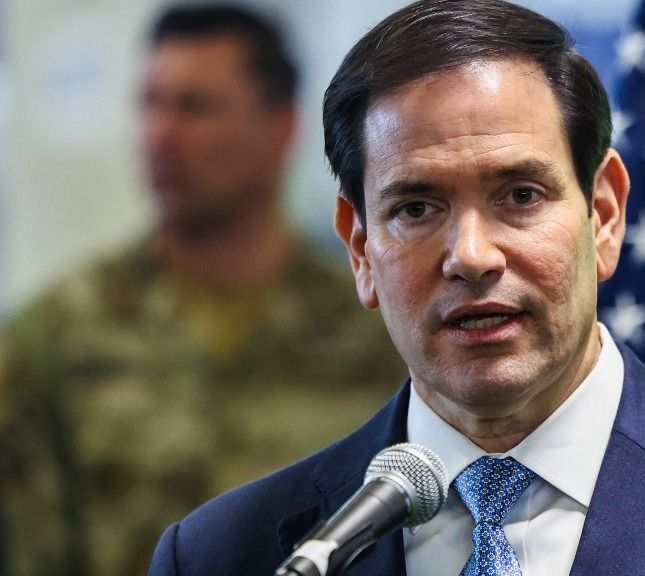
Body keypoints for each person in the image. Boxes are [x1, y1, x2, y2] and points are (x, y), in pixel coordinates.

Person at [147, 0, 645, 574]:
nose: (471, 255)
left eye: (520, 196)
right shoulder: (229, 554)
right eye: (417, 208)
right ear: (359, 246)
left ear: (605, 213)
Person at [0, 4, 406, 576]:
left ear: (281, 128)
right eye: (150, 105)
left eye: (194, 107)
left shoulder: (376, 330)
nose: (159, 135)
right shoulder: (56, 338)